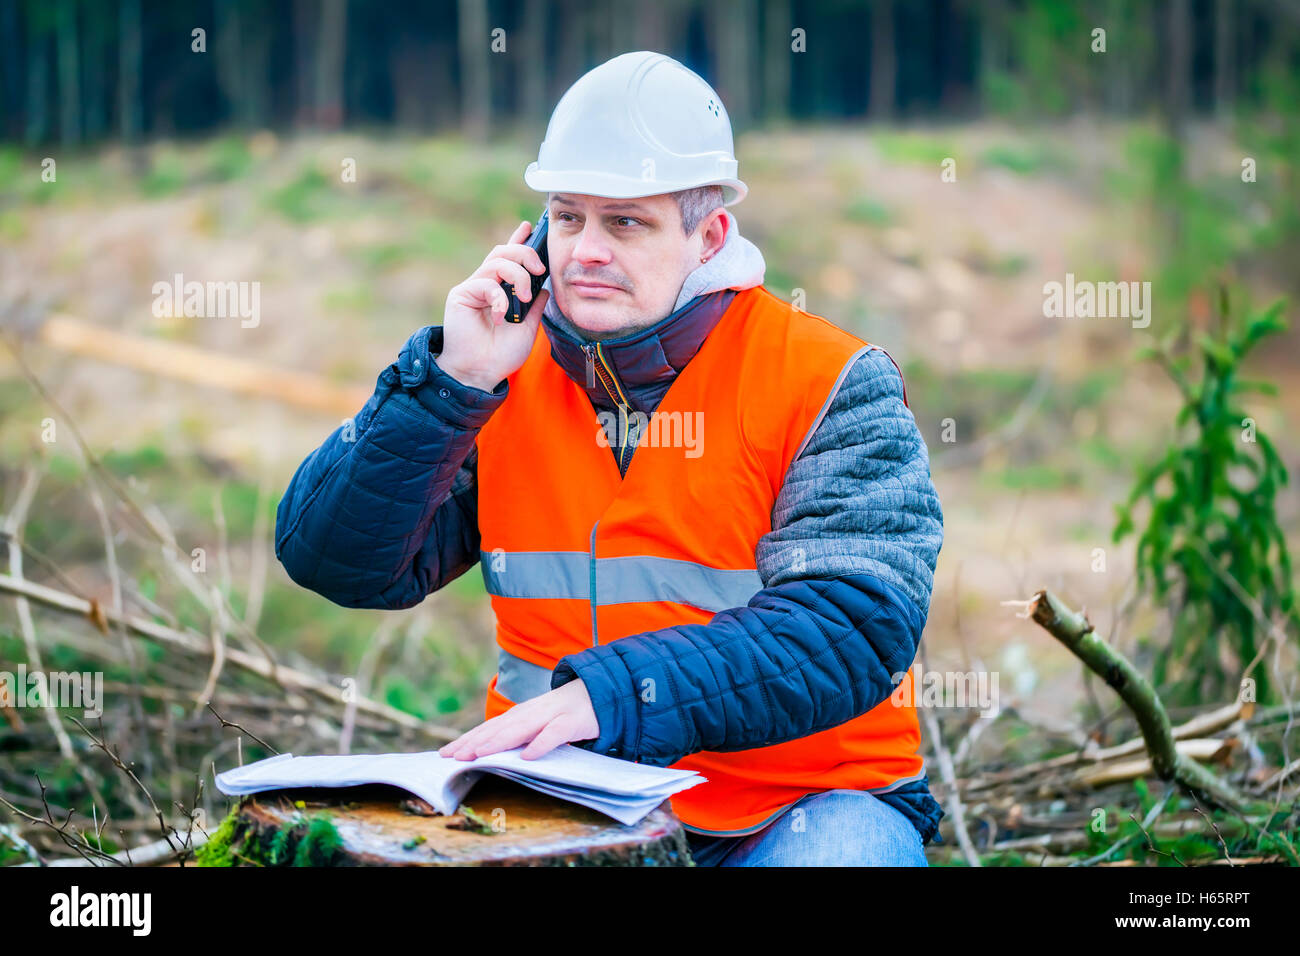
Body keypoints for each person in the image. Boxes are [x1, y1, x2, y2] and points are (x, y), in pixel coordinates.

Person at [275, 51, 945, 866]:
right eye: (568, 218)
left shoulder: (828, 381)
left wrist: (617, 695)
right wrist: (451, 381)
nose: (585, 250)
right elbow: (338, 562)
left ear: (710, 236)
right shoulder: (499, 371)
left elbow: (852, 624)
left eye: (625, 222)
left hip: (802, 806)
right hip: (556, 804)